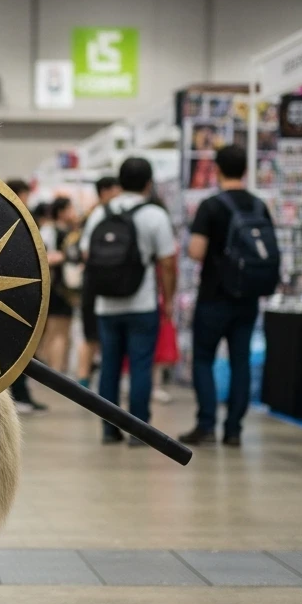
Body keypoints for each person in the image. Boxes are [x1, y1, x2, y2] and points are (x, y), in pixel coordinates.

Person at [80, 157, 176, 445]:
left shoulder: (101, 213)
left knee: (109, 365)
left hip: (106, 304)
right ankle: (138, 430)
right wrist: (168, 299)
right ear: (148, 183)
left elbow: (87, 254)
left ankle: (109, 429)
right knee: (140, 366)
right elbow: (168, 262)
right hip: (142, 303)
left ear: (120, 182)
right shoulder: (155, 215)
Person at [180, 145, 270, 447]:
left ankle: (206, 425)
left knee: (203, 359)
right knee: (240, 361)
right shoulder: (259, 206)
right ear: (246, 170)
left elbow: (196, 251)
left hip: (214, 296)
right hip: (248, 297)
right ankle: (234, 430)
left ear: (217, 169)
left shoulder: (211, 206)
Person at [4, 180, 46, 413]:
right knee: (18, 348)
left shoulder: (0, 215)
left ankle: (22, 395)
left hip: (11, 294)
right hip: (17, 295)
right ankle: (20, 395)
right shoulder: (19, 218)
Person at [76, 176, 121, 387]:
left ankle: (86, 380)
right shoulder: (100, 215)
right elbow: (85, 251)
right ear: (105, 191)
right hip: (98, 284)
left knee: (93, 334)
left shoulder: (98, 215)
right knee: (91, 335)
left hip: (95, 282)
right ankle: (83, 379)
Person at [38, 196, 79, 374]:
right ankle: (56, 370)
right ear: (61, 211)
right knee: (58, 330)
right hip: (57, 287)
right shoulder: (50, 230)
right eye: (70, 208)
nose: (73, 213)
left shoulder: (64, 230)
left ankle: (56, 368)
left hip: (63, 287)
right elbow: (43, 256)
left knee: (60, 329)